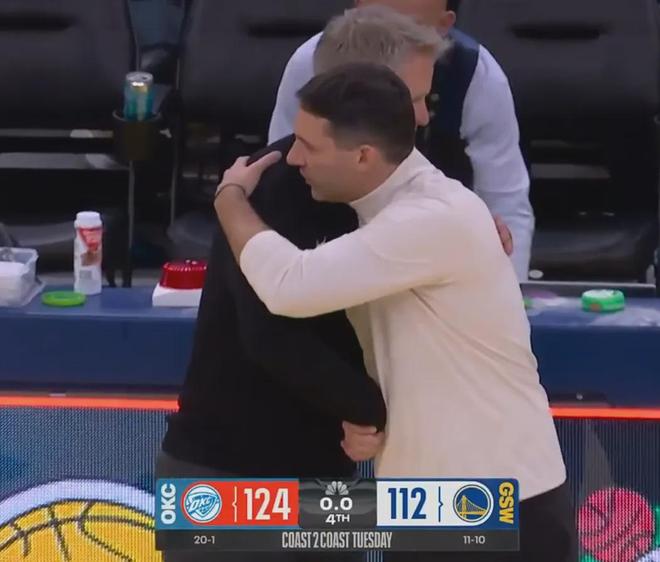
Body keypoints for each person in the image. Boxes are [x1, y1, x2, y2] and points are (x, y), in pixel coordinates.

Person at [159, 7, 516, 560]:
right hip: (228, 472)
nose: (424, 115)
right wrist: (366, 407)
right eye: (413, 97)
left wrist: (472, 225)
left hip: (326, 474)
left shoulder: (407, 183)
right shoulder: (277, 183)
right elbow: (272, 333)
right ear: (362, 95)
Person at [213, 63, 577, 562]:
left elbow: (287, 286)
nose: (293, 158)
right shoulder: (395, 213)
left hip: (498, 501)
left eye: (308, 146)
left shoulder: (430, 217)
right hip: (426, 502)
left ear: (363, 155)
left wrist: (229, 197)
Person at [269, 0, 533, 281]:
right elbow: (282, 178)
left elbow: (505, 201)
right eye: (377, 22)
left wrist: (507, 286)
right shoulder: (310, 62)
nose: (394, 37)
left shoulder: (477, 74)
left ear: (444, 26)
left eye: (412, 27)